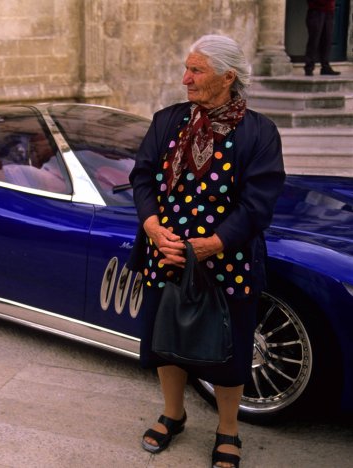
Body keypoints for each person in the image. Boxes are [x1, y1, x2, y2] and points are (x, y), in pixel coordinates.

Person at [128, 35, 285, 468]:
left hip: (228, 259)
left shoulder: (259, 132)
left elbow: (259, 202)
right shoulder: (167, 121)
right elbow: (142, 178)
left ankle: (228, 429)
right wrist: (153, 227)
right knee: (166, 341)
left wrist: (216, 243)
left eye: (196, 70)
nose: (186, 79)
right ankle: (173, 414)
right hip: (168, 252)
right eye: (186, 68)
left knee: (231, 347)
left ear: (228, 76)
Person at [304, 0, 340, 76]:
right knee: (314, 40)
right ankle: (309, 67)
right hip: (316, 11)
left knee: (327, 40)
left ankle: (325, 67)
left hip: (329, 11)